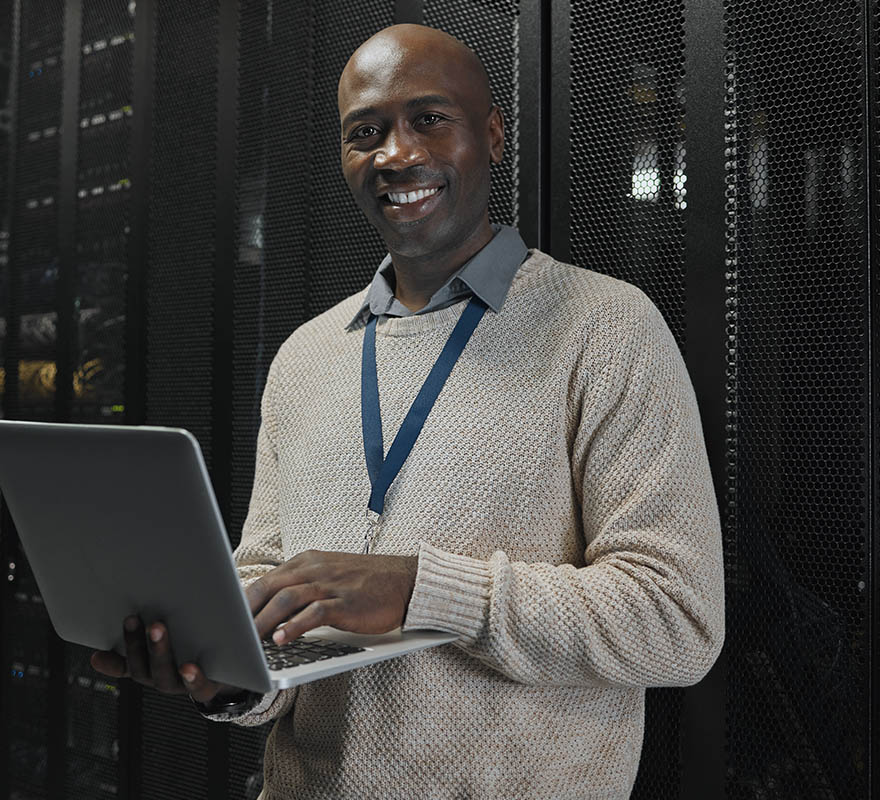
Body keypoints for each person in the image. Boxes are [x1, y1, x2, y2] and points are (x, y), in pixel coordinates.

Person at [91, 23, 725, 799]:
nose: (397, 155)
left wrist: (421, 590)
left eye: (429, 119)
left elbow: (676, 620)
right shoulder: (305, 357)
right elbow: (270, 598)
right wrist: (219, 672)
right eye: (367, 132)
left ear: (491, 134)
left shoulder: (605, 328)